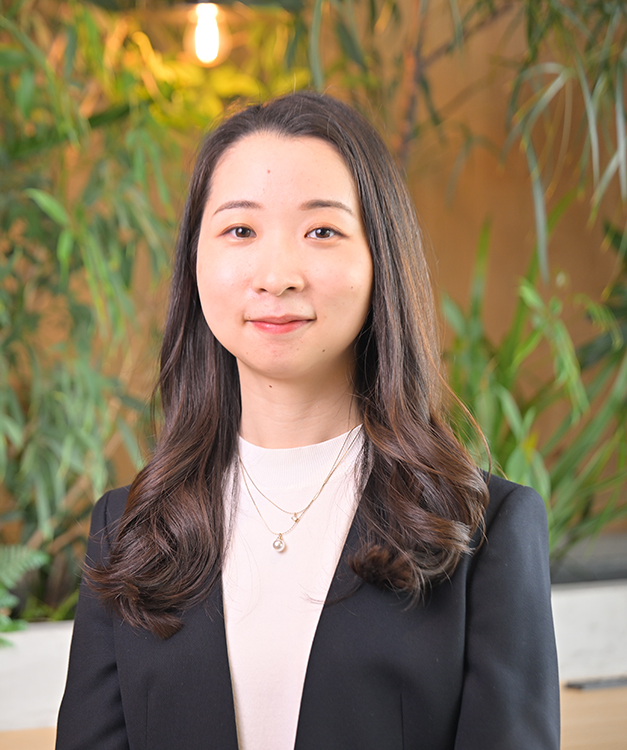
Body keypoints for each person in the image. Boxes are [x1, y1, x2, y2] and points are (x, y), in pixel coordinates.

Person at [54, 90, 560, 750]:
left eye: (322, 231)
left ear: (381, 260)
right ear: (197, 262)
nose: (278, 274)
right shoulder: (129, 534)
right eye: (240, 230)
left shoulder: (484, 533)